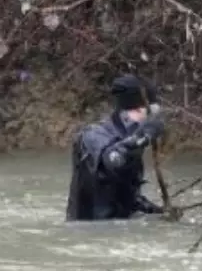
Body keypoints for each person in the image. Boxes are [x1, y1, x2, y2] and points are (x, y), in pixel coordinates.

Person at [66, 73, 168, 221]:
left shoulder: (129, 140)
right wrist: (143, 136)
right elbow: (113, 160)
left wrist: (160, 213)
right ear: (138, 109)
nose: (154, 117)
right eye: (152, 111)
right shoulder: (93, 135)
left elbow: (126, 196)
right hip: (90, 233)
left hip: (119, 230)